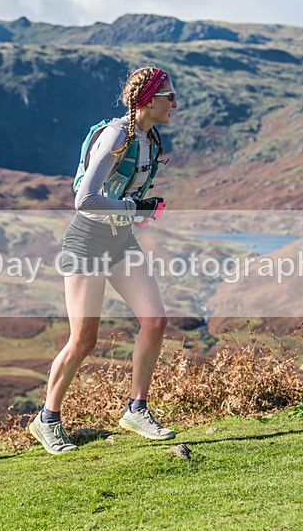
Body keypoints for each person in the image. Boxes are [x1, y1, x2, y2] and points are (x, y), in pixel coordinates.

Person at [29, 66, 178, 454]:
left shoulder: (149, 139)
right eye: (169, 96)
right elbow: (85, 200)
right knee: (83, 341)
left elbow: (121, 195)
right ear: (148, 99)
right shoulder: (115, 134)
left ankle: (136, 410)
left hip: (120, 240)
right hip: (87, 242)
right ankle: (47, 420)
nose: (175, 103)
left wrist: (140, 209)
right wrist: (133, 207)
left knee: (155, 321)